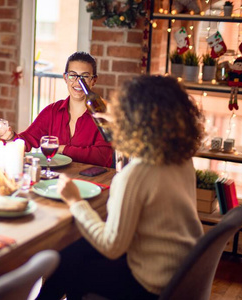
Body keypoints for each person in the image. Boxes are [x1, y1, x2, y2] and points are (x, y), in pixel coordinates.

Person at [36, 75, 205, 299]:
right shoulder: (182, 159)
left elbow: (111, 246)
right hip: (181, 272)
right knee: (73, 252)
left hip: (150, 285)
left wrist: (75, 200)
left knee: (70, 265)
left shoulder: (136, 174)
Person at [0, 52, 113, 167]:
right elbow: (26, 141)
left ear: (94, 80)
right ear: (65, 78)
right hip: (56, 181)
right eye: (73, 75)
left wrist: (62, 149)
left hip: (92, 184)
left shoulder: (103, 114)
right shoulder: (52, 111)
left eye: (84, 77)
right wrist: (9, 136)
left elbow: (102, 157)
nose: (78, 82)